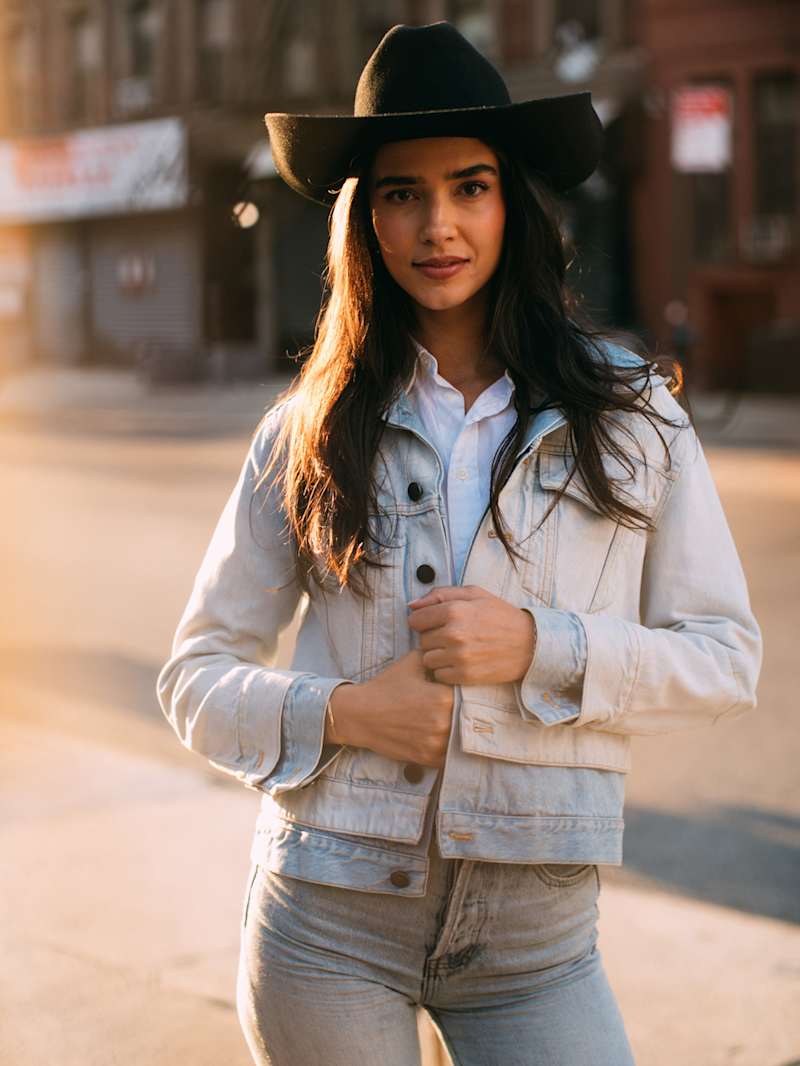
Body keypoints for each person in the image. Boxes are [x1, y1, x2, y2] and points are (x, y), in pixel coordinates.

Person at [156, 21, 763, 1066]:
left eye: (468, 186)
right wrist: (344, 710)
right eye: (400, 193)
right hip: (327, 920)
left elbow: (722, 657)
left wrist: (543, 646)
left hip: (536, 943)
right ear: (365, 220)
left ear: (511, 204)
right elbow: (193, 676)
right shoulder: (304, 429)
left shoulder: (632, 418)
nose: (437, 224)